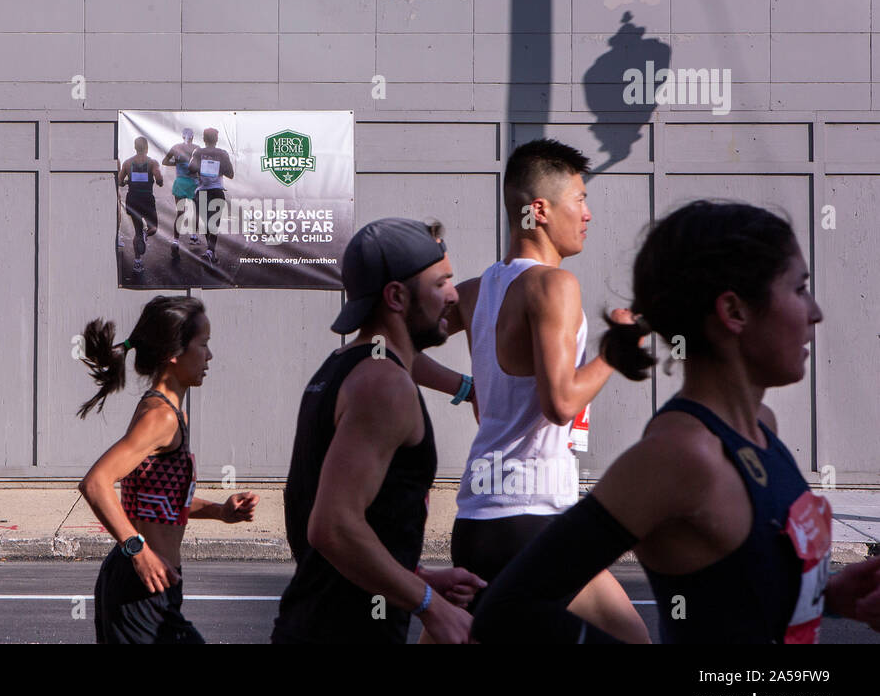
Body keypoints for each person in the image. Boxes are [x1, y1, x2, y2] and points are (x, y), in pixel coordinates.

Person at [473, 200, 880, 643]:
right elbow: (510, 609)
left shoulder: (761, 427)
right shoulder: (681, 456)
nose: (815, 312)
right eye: (799, 288)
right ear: (735, 312)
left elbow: (734, 598)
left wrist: (825, 595)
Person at [412, 139, 649, 643]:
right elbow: (561, 403)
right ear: (539, 210)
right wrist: (614, 350)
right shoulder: (554, 286)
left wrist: (464, 389)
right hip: (532, 521)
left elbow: (394, 349)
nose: (588, 213)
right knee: (634, 641)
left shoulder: (475, 290)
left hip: (476, 524)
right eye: (580, 199)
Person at [272, 218, 484, 644]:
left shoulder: (342, 364)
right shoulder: (382, 384)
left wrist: (418, 577)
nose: (454, 296)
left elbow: (338, 527)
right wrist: (431, 606)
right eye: (441, 282)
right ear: (396, 296)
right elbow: (331, 527)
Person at [77, 295, 258, 644]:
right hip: (138, 587)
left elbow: (159, 501)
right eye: (203, 345)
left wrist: (221, 511)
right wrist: (138, 551)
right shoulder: (161, 417)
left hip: (154, 587)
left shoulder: (172, 415)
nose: (210, 356)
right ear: (174, 353)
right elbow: (96, 483)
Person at [189, 128, 234, 265]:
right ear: (216, 139)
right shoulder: (222, 153)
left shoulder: (198, 152)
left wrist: (203, 167)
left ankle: (210, 251)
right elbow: (230, 174)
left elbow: (191, 168)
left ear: (203, 139)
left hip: (202, 191)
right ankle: (210, 252)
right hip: (216, 191)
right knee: (213, 224)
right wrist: (217, 167)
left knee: (206, 224)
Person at [119, 137, 163, 275]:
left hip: (133, 199)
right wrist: (159, 182)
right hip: (147, 199)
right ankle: (145, 234)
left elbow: (119, 181)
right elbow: (159, 179)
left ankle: (137, 262)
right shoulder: (152, 163)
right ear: (147, 148)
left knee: (137, 231)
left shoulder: (127, 163)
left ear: (135, 147)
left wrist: (126, 182)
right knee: (153, 227)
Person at [161, 128, 200, 259]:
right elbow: (200, 165)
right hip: (193, 182)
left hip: (180, 182)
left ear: (182, 136)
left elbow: (164, 162)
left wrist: (177, 162)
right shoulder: (197, 148)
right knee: (195, 210)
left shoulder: (176, 147)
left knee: (180, 213)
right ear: (193, 137)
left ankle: (176, 240)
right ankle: (193, 236)